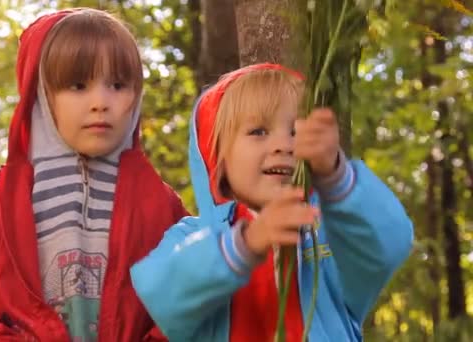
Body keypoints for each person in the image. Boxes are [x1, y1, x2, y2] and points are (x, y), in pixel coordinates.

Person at [0, 8, 188, 341]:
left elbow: (191, 303)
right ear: (40, 96)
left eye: (118, 85)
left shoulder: (161, 207)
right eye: (78, 85)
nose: (100, 102)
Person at [130, 63, 413, 341]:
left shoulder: (332, 234)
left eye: (296, 132)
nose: (283, 145)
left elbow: (388, 243)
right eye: (259, 131)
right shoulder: (193, 236)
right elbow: (159, 291)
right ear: (217, 157)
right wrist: (246, 244)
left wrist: (337, 176)